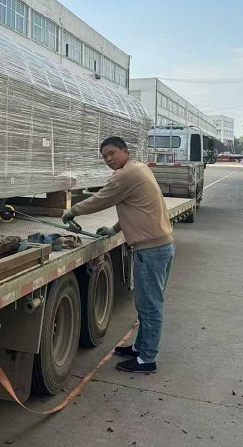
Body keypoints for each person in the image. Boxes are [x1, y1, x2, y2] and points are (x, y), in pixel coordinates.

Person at [62, 136, 175, 374]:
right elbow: (138, 208)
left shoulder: (125, 175)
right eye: (104, 156)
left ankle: (147, 360)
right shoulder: (140, 168)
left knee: (150, 306)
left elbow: (101, 199)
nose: (108, 159)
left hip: (151, 251)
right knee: (146, 304)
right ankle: (140, 348)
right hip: (160, 247)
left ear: (125, 151)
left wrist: (72, 211)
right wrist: (113, 230)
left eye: (112, 153)